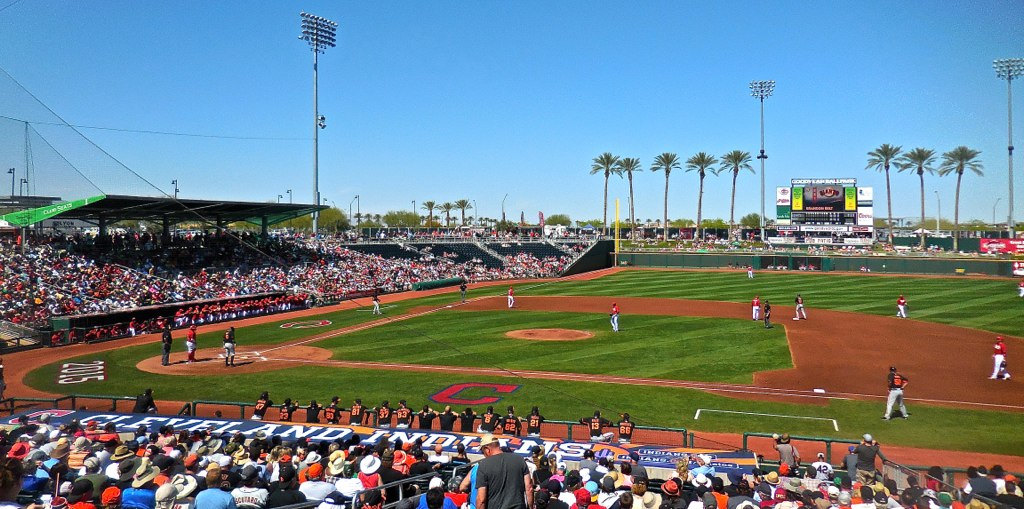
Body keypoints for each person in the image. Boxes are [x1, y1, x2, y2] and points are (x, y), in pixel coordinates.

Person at [475, 434, 532, 509]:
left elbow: (481, 499)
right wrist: (530, 507)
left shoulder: (484, 465)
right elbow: (529, 488)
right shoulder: (519, 459)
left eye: (482, 452)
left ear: (487, 449)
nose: (483, 455)